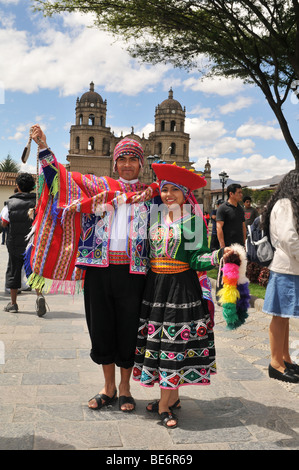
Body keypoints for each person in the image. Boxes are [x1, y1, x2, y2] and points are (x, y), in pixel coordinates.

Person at [30, 124, 159, 412]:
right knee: (101, 327)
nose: (127, 165)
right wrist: (44, 148)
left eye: (132, 159)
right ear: (114, 163)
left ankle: (125, 389)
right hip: (98, 269)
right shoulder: (98, 186)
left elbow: (179, 216)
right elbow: (60, 180)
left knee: (129, 329)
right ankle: (108, 387)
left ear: (141, 162)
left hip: (135, 273)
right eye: (122, 160)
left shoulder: (154, 195)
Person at [133, 163, 233, 428]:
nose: (168, 195)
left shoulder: (193, 220)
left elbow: (197, 258)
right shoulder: (155, 217)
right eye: (164, 189)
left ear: (184, 194)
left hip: (181, 288)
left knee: (174, 345)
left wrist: (217, 256)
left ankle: (164, 405)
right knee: (161, 344)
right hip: (155, 288)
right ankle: (172, 398)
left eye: (174, 191)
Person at [261, 170, 299, 383]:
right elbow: (288, 237)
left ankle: (285, 359)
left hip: (290, 266)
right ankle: (276, 363)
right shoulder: (285, 204)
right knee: (279, 315)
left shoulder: (287, 203)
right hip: (286, 267)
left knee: (284, 316)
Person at [2, 173, 46, 316]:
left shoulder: (10, 204)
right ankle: (39, 295)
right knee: (34, 271)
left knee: (14, 272)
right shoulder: (39, 203)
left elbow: (4, 223)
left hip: (14, 244)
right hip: (34, 245)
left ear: (18, 186)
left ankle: (13, 304)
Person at [216, 184, 246, 248]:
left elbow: (243, 227)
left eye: (241, 192)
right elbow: (219, 228)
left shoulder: (240, 209)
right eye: (239, 193)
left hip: (240, 246)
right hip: (228, 246)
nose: (241, 195)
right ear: (231, 194)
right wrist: (222, 246)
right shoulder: (222, 208)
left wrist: (245, 243)